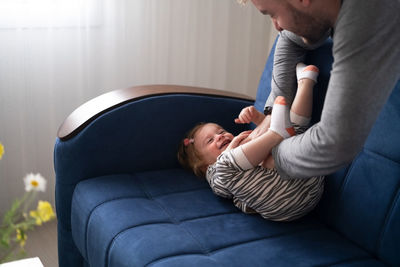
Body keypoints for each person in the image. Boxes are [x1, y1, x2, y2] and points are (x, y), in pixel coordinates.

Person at [239, 0, 400, 179]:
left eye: (273, 15)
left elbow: (333, 144)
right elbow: (288, 38)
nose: (277, 26)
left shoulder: (364, 20)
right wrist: (275, 111)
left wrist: (270, 154)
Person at [177, 64, 324, 221]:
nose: (219, 136)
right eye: (210, 140)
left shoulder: (246, 143)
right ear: (204, 165)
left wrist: (259, 119)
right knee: (225, 166)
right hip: (285, 203)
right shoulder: (213, 173)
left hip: (309, 178)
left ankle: (306, 82)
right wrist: (233, 151)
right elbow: (224, 183)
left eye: (221, 132)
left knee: (291, 132)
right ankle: (277, 131)